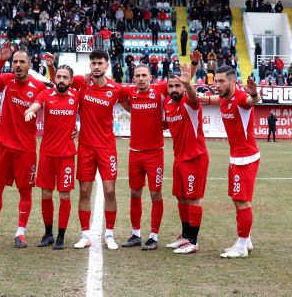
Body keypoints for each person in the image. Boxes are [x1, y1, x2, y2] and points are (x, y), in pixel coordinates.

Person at [54, 49, 125, 250]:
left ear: (107, 65)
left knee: (110, 191)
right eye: (93, 63)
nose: (96, 66)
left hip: (107, 147)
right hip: (85, 146)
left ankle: (109, 235)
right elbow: (58, 82)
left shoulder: (117, 89)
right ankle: (85, 235)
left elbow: (131, 106)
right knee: (84, 191)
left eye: (99, 63)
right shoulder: (80, 83)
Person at [0, 42, 48, 248]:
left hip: (26, 149)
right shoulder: (6, 80)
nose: (18, 65)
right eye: (15, 62)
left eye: (22, 62)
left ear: (29, 65)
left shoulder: (38, 87)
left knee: (25, 191)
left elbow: (51, 102)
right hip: (3, 145)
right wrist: (1, 59)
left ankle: (20, 233)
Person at [203, 66, 260, 258]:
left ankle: (242, 246)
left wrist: (255, 94)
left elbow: (252, 101)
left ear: (232, 82)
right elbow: (208, 99)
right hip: (236, 156)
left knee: (242, 201)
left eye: (221, 81)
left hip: (246, 157)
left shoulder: (241, 98)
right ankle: (246, 239)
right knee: (237, 200)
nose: (216, 85)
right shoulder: (223, 99)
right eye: (215, 81)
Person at [24, 62, 78, 250]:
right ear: (55, 79)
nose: (61, 80)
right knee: (46, 194)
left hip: (67, 155)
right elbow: (35, 105)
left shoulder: (76, 96)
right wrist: (30, 111)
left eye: (65, 77)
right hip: (47, 153)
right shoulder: (46, 94)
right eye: (59, 77)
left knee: (64, 195)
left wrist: (77, 127)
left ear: (71, 80)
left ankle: (61, 236)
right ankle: (48, 233)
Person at [120, 64, 167, 250]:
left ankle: (154, 236)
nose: (140, 78)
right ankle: (136, 234)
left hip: (155, 153)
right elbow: (123, 100)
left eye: (144, 75)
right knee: (134, 192)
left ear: (151, 77)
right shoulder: (130, 93)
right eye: (137, 75)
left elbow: (182, 84)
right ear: (133, 78)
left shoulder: (160, 91)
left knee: (155, 193)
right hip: (135, 153)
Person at [163, 64, 209, 254]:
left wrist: (188, 84)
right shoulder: (167, 104)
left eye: (178, 86)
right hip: (179, 158)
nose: (175, 89)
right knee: (181, 197)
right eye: (171, 86)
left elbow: (192, 95)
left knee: (193, 199)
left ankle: (193, 241)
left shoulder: (190, 103)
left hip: (195, 158)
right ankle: (184, 236)